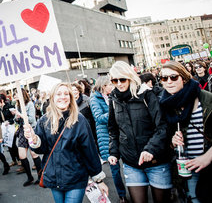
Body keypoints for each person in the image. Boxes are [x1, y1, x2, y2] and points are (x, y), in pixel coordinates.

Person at [24, 83, 108, 202]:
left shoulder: (79, 120)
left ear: (70, 97)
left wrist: (98, 179)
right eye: (58, 94)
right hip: (55, 178)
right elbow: (40, 149)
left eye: (66, 94)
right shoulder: (44, 120)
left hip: (76, 178)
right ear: (52, 97)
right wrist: (34, 138)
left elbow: (89, 151)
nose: (63, 97)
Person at [108, 61, 172, 203]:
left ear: (130, 77)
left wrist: (151, 149)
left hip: (156, 161)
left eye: (122, 79)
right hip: (131, 163)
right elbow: (113, 130)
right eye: (114, 80)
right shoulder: (113, 99)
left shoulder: (147, 95)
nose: (119, 83)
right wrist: (113, 152)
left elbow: (161, 126)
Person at [159, 61, 212, 203]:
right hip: (187, 165)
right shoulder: (166, 104)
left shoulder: (206, 98)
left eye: (173, 77)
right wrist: (173, 141)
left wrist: (208, 156)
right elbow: (165, 136)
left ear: (184, 78)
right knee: (193, 199)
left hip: (209, 162)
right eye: (164, 78)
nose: (169, 82)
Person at [90, 76, 128, 203]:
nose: (113, 87)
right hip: (106, 136)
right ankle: (122, 195)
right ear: (103, 86)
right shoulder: (94, 99)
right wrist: (116, 111)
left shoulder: (116, 95)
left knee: (129, 164)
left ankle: (136, 187)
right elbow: (99, 118)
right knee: (115, 168)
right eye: (110, 85)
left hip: (122, 134)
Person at [13, 89, 42, 186]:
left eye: (16, 94)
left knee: (34, 154)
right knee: (22, 155)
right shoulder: (17, 105)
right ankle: (29, 177)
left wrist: (20, 115)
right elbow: (16, 120)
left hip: (31, 129)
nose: (15, 96)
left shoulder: (29, 104)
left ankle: (40, 176)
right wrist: (16, 117)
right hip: (22, 131)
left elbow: (32, 119)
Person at [71, 83, 97, 150]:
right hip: (77, 132)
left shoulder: (86, 100)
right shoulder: (69, 104)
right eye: (72, 90)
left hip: (90, 130)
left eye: (75, 90)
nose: (74, 92)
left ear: (79, 91)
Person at [0, 94, 19, 166]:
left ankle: (18, 159)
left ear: (2, 100)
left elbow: (14, 117)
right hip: (5, 128)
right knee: (8, 144)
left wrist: (9, 121)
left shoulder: (9, 106)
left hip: (12, 127)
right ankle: (14, 160)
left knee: (13, 144)